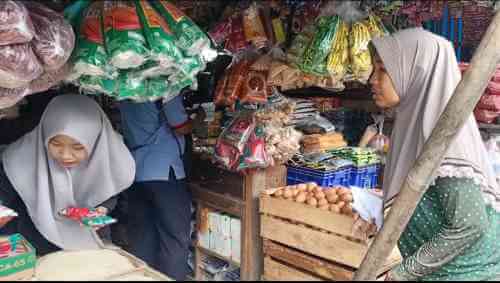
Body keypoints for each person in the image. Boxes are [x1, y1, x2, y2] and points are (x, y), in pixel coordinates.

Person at [369, 28, 500, 281]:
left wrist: (401, 274)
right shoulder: (414, 127)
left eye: (383, 70)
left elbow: (470, 225)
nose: (372, 80)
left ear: (417, 73)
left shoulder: (445, 140)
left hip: (471, 274)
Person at [0, 94, 135, 256]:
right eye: (55, 144)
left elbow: (109, 190)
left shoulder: (109, 158)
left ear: (96, 141)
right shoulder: (21, 156)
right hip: (32, 242)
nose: (66, 155)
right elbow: (4, 190)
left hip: (86, 240)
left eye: (78, 147)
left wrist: (101, 209)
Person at [119, 95, 192, 280]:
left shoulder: (124, 89)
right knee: (174, 238)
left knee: (143, 236)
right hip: (163, 171)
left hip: (136, 170)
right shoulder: (166, 85)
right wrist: (198, 119)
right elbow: (180, 126)